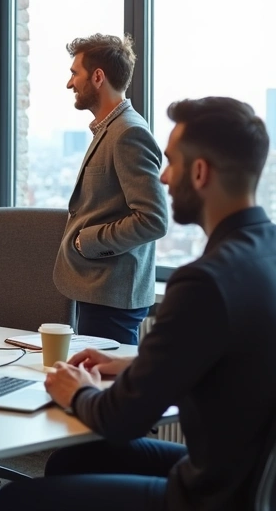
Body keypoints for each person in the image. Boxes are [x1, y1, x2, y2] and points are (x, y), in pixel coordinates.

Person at [0, 97, 276, 511]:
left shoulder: (207, 281)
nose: (162, 177)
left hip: (224, 498)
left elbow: (121, 420)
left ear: (199, 173)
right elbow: (239, 360)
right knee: (75, 460)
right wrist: (133, 364)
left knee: (16, 500)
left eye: (172, 162)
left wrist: (77, 391)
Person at [52, 33, 168, 345]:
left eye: (75, 73)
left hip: (113, 295)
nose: (69, 83)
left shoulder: (129, 133)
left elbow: (153, 220)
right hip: (99, 289)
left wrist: (85, 242)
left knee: (106, 375)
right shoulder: (111, 129)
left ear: (98, 77)